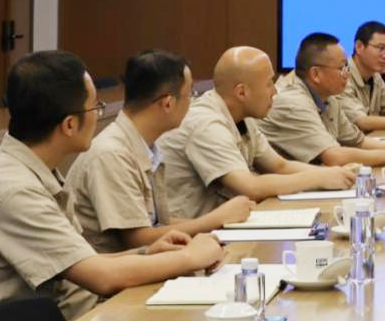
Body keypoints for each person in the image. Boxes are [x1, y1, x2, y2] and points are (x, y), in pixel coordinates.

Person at [0, 51, 224, 321]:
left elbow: (81, 260)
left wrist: (147, 253)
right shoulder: (15, 189)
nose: (99, 115)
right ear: (69, 124)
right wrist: (192, 257)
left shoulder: (34, 169)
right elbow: (100, 277)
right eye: (95, 107)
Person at [68, 50, 255, 254]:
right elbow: (138, 239)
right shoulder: (112, 154)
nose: (192, 102)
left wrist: (215, 225)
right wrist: (217, 219)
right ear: (168, 103)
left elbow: (157, 223)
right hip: (117, 269)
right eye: (190, 94)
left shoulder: (146, 146)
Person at [158, 46, 357, 221]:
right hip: (189, 235)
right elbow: (249, 187)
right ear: (242, 92)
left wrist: (332, 174)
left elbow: (279, 165)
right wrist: (319, 178)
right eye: (269, 83)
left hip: (224, 225)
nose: (275, 92)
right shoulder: (206, 123)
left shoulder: (243, 115)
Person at [261, 33, 385, 166]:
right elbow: (334, 157)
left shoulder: (330, 99)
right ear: (316, 74)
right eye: (342, 68)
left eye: (347, 67)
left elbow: (358, 141)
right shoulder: (293, 103)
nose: (347, 74)